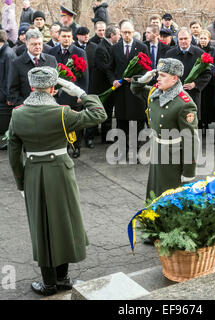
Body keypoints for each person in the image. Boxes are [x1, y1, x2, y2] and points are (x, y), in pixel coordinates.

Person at [7, 66, 107, 296]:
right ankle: (62, 279)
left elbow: (14, 154)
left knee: (41, 226)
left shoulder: (18, 113)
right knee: (63, 223)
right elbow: (99, 114)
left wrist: (21, 183)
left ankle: (50, 282)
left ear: (32, 87)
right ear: (53, 88)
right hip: (61, 172)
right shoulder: (62, 112)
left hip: (32, 172)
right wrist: (80, 93)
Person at [131, 58, 199, 199]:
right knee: (154, 191)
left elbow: (190, 140)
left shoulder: (184, 103)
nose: (158, 79)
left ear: (174, 79)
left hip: (172, 157)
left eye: (163, 75)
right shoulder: (156, 93)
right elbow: (135, 89)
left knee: (169, 197)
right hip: (157, 149)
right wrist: (143, 79)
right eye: (158, 74)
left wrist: (188, 172)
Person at [106, 21, 149, 159]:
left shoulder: (141, 47)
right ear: (120, 33)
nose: (126, 35)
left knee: (137, 123)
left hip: (136, 91)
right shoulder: (114, 48)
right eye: (124, 32)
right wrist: (113, 80)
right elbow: (110, 68)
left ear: (133, 31)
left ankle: (136, 150)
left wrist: (136, 78)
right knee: (122, 121)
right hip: (121, 92)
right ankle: (123, 150)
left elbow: (147, 68)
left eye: (129, 32)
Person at [49, 27, 89, 158]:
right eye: (64, 36)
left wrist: (81, 95)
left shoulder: (79, 52)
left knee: (76, 122)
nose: (66, 39)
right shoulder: (52, 51)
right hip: (57, 95)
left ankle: (76, 146)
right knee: (61, 122)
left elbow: (84, 76)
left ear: (72, 38)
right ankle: (63, 146)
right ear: (58, 37)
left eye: (68, 36)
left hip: (73, 94)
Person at [165, 27, 212, 125]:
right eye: (180, 39)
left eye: (185, 38)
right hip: (173, 96)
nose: (183, 41)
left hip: (192, 95)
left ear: (191, 38)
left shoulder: (199, 53)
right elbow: (164, 74)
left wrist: (195, 84)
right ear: (177, 39)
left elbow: (207, 74)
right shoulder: (170, 54)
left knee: (191, 124)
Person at [8, 29, 57, 107]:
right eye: (34, 44)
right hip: (27, 109)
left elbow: (58, 82)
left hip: (48, 108)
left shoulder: (51, 60)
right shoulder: (16, 63)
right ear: (27, 44)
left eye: (40, 44)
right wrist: (24, 106)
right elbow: (12, 91)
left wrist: (57, 90)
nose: (37, 47)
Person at [92, 24, 120, 144]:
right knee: (104, 111)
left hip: (110, 83)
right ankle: (104, 136)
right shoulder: (101, 48)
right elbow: (103, 67)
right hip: (103, 85)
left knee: (108, 111)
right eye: (118, 34)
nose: (120, 36)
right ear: (112, 35)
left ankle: (107, 135)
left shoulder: (112, 46)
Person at [75, 26, 98, 148]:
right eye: (83, 34)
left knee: (90, 113)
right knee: (78, 114)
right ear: (78, 36)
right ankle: (77, 141)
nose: (86, 36)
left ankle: (89, 138)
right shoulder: (74, 48)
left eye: (88, 34)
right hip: (77, 87)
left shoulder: (94, 47)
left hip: (92, 85)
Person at [198, 29, 215, 132]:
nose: (203, 40)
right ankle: (200, 123)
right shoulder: (196, 49)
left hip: (209, 81)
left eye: (205, 38)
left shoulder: (212, 49)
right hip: (199, 80)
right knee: (200, 103)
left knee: (207, 103)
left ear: (209, 39)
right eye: (201, 38)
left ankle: (206, 123)